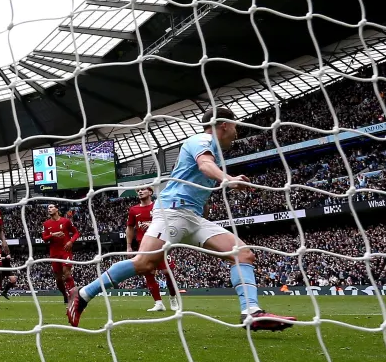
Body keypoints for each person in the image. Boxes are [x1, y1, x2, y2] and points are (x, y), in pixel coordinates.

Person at [65, 108, 296, 331]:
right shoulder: (200, 142)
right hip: (172, 213)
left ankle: (251, 312)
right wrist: (228, 179)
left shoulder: (213, 151)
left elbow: (202, 180)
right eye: (235, 126)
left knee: (242, 253)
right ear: (224, 125)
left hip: (192, 218)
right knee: (144, 263)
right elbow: (205, 166)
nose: (237, 133)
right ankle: (83, 294)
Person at [127, 185, 178, 312]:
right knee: (148, 273)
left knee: (168, 273)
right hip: (144, 245)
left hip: (160, 243)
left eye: (143, 189)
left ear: (150, 192)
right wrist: (128, 246)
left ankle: (173, 297)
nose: (139, 191)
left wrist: (152, 224)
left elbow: (169, 222)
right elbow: (130, 228)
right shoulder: (133, 210)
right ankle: (158, 303)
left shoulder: (158, 206)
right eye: (138, 190)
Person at [41, 204, 79, 304]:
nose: (49, 209)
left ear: (57, 209)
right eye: (48, 208)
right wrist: (52, 235)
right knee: (58, 279)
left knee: (66, 274)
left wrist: (71, 242)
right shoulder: (46, 224)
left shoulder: (65, 221)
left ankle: (74, 297)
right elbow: (44, 238)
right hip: (54, 253)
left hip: (65, 251)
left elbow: (76, 233)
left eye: (51, 207)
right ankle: (65, 295)